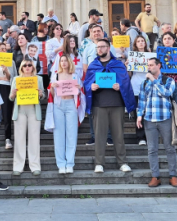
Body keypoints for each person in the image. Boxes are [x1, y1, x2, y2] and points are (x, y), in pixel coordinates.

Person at [84, 38, 136, 173]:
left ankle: (122, 162)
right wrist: (91, 86)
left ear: (108, 48)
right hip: (99, 105)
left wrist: (120, 86)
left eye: (102, 47)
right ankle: (99, 163)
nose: (99, 49)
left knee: (118, 135)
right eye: (97, 47)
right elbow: (87, 83)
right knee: (99, 136)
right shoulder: (93, 65)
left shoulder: (118, 64)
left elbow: (126, 82)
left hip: (116, 104)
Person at [137, 57, 177, 188]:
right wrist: (139, 115)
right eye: (148, 65)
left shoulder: (168, 80)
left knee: (170, 148)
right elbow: (142, 100)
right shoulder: (144, 83)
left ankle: (173, 175)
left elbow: (166, 93)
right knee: (152, 149)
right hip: (149, 119)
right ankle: (155, 176)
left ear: (159, 66)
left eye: (151, 65)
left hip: (165, 118)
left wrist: (154, 80)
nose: (149, 67)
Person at [49, 55, 83, 173]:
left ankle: (70, 163)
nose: (63, 63)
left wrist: (79, 89)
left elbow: (79, 93)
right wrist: (52, 88)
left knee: (71, 134)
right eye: (61, 61)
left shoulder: (75, 75)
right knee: (58, 134)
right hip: (59, 105)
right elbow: (52, 95)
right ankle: (61, 164)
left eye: (65, 61)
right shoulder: (55, 75)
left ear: (69, 62)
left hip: (71, 105)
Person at [9, 60, 45, 175]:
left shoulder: (38, 79)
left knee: (34, 138)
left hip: (33, 109)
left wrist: (41, 94)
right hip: (20, 110)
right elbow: (10, 97)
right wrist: (13, 93)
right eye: (25, 65)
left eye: (30, 65)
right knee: (19, 138)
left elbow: (43, 95)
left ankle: (35, 166)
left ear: (33, 67)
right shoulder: (16, 79)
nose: (27, 67)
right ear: (21, 68)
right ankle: (18, 166)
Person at [160, 32, 177, 120]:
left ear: (173, 40)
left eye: (169, 38)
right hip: (164, 83)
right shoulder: (158, 54)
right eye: (165, 39)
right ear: (162, 41)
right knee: (164, 109)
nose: (167, 40)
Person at [129, 35, 149, 145]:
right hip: (136, 86)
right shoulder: (132, 56)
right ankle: (140, 137)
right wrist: (128, 67)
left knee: (149, 112)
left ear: (145, 43)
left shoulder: (151, 55)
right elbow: (130, 74)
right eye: (138, 41)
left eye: (142, 41)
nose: (141, 43)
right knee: (138, 113)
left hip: (149, 87)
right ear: (135, 44)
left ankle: (149, 135)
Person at [31, 23, 51, 90]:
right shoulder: (34, 39)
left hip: (47, 64)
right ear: (41, 28)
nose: (47, 30)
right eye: (45, 28)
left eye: (47, 29)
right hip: (37, 64)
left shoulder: (49, 38)